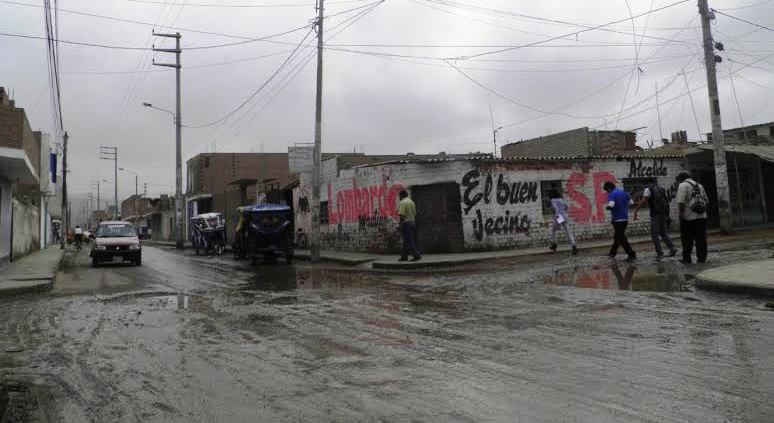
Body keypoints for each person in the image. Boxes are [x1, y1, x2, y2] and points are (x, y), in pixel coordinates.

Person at [633, 181, 678, 259]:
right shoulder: (661, 189)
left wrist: (636, 210)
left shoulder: (648, 189)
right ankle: (672, 248)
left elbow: (643, 200)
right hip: (664, 213)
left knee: (654, 235)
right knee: (663, 233)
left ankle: (660, 253)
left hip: (655, 215)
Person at [675, 172, 709, 263]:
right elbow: (706, 201)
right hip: (702, 217)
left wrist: (681, 214)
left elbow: (681, 202)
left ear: (681, 179)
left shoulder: (682, 185)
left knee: (686, 239)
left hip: (688, 218)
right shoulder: (700, 186)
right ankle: (702, 258)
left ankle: (687, 258)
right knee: (701, 239)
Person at [603, 181, 636, 261]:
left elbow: (611, 204)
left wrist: (608, 207)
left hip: (617, 219)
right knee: (617, 237)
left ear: (609, 188)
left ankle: (631, 254)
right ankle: (612, 254)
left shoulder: (612, 194)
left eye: (607, 190)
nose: (607, 192)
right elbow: (631, 203)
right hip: (625, 219)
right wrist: (622, 206)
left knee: (621, 238)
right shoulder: (624, 193)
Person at [547, 190, 578, 255]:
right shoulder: (561, 199)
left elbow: (556, 208)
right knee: (568, 232)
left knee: (553, 230)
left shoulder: (553, 200)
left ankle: (554, 244)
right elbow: (566, 206)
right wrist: (563, 211)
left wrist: (557, 215)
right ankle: (574, 246)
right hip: (565, 216)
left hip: (559, 217)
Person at [398, 190, 421, 262]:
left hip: (406, 223)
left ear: (401, 196)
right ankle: (404, 256)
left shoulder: (403, 202)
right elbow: (414, 213)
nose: (399, 198)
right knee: (406, 240)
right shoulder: (412, 202)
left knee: (409, 240)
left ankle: (416, 255)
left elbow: (402, 215)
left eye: (399, 196)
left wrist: (400, 224)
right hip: (412, 223)